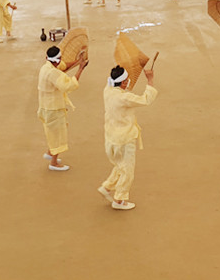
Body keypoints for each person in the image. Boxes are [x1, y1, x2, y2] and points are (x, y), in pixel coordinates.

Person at [98, 65, 158, 211]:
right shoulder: (124, 98)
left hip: (110, 138)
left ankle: (107, 187)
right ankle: (119, 199)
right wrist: (150, 79)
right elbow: (145, 99)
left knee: (120, 165)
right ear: (124, 82)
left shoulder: (107, 90)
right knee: (127, 170)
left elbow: (116, 81)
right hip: (125, 139)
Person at [38, 46, 89, 172]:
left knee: (52, 132)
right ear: (58, 59)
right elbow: (69, 86)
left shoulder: (46, 67)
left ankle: (50, 152)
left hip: (46, 106)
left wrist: (78, 61)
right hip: (53, 109)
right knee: (58, 135)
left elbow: (63, 67)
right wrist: (81, 69)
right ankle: (54, 163)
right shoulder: (53, 73)